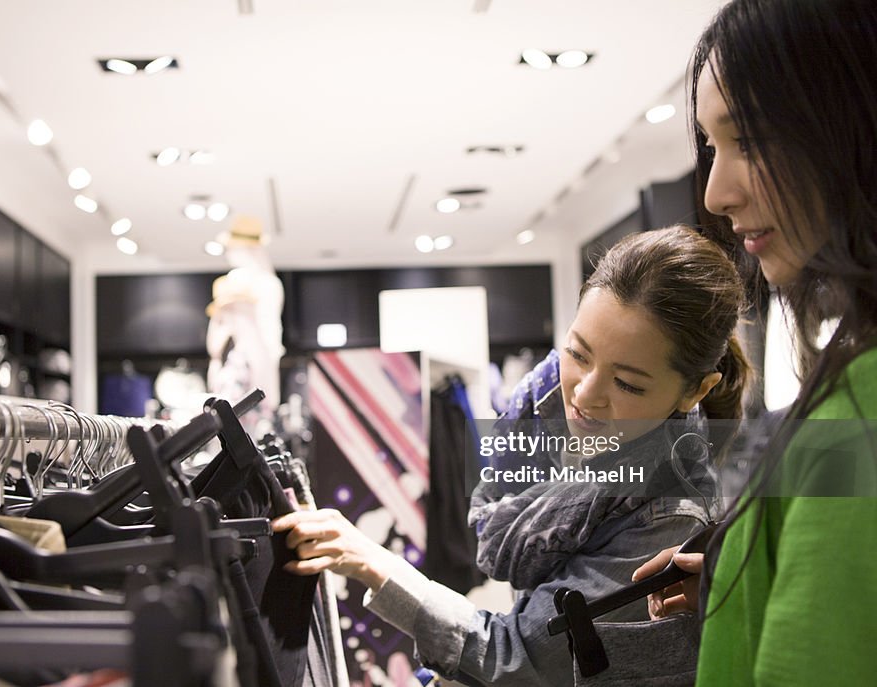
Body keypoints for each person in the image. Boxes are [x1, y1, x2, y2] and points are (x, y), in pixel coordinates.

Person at [274, 225, 750, 685]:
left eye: (627, 383)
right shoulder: (547, 392)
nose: (585, 395)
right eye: (578, 353)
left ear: (696, 391)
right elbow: (495, 530)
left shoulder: (669, 518)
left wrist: (375, 563)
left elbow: (524, 662)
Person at [632, 1, 877, 685]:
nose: (714, 192)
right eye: (712, 147)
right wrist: (744, 572)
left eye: (752, 140)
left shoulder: (853, 425)